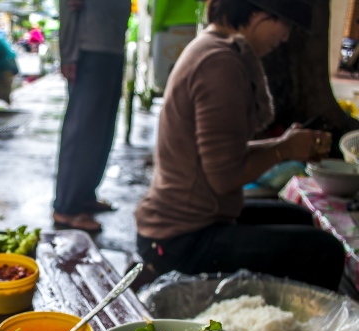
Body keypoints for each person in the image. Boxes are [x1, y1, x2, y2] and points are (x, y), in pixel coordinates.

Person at [134, 0, 346, 291]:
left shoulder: (215, 48)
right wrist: (284, 150)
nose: (284, 38)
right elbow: (225, 177)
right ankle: (297, 327)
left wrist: (285, 144)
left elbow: (227, 150)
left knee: (301, 217)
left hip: (194, 218)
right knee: (325, 251)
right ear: (260, 17)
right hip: (180, 238)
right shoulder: (219, 63)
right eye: (285, 26)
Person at [52, 0, 132, 232]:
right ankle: (66, 207)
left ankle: (85, 195)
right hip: (89, 49)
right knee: (82, 130)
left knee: (102, 129)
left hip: (112, 46)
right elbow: (68, 7)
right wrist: (68, 54)